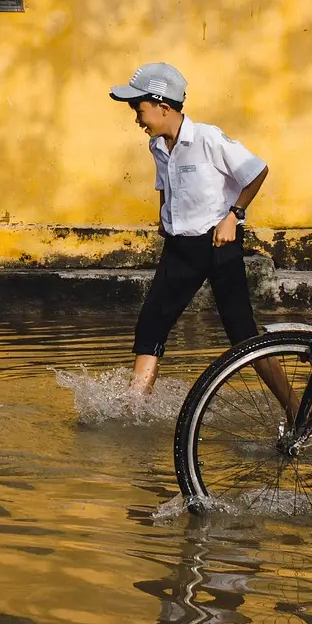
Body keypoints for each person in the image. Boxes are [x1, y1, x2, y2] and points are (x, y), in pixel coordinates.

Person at [110, 63, 292, 411]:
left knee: (242, 335)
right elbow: (166, 184)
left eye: (139, 109)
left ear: (163, 107)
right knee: (150, 325)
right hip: (180, 249)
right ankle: (134, 409)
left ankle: (295, 409)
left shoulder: (208, 138)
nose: (137, 118)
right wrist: (165, 218)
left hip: (218, 245)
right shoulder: (157, 145)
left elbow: (256, 171)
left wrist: (234, 216)